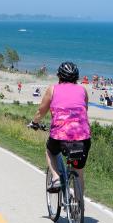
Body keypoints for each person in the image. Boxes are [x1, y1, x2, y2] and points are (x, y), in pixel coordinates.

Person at [29, 62, 91, 192]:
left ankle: (56, 178)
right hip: (83, 136)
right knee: (79, 172)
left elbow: (41, 111)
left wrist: (34, 123)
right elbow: (84, 110)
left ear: (59, 76)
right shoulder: (83, 90)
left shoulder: (53, 89)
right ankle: (80, 207)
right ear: (76, 77)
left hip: (60, 136)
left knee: (50, 151)